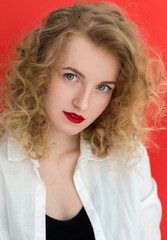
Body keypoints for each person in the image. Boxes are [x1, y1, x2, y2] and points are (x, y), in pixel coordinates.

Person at [0, 1, 166, 240]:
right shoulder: (3, 167)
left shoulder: (130, 160)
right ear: (40, 70)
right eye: (71, 76)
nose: (83, 103)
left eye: (102, 87)